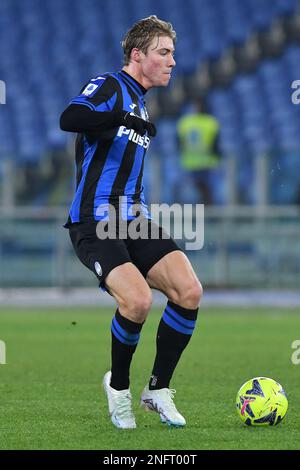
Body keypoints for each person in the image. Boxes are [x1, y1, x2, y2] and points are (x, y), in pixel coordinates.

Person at [60, 15, 202, 430]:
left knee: (189, 290)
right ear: (137, 56)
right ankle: (118, 388)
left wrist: (131, 118)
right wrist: (122, 119)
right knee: (137, 301)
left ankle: (157, 390)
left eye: (172, 53)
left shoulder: (140, 99)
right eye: (164, 52)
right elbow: (70, 118)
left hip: (133, 216)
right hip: (94, 219)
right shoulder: (110, 86)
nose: (172, 61)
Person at [177, 99, 220, 205]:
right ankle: (209, 216)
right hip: (207, 163)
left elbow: (179, 143)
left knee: (192, 193)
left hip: (189, 163)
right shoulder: (211, 123)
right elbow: (216, 145)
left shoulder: (185, 122)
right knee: (207, 193)